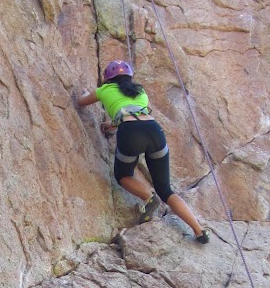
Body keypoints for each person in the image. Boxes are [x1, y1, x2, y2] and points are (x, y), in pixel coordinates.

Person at [76, 60, 209, 242]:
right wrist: (112, 124)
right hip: (154, 131)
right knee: (166, 189)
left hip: (131, 133)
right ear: (130, 77)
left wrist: (85, 94)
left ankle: (148, 196)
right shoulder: (140, 92)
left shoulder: (104, 90)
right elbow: (134, 113)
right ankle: (199, 230)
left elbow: (81, 102)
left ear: (108, 79)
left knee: (122, 175)